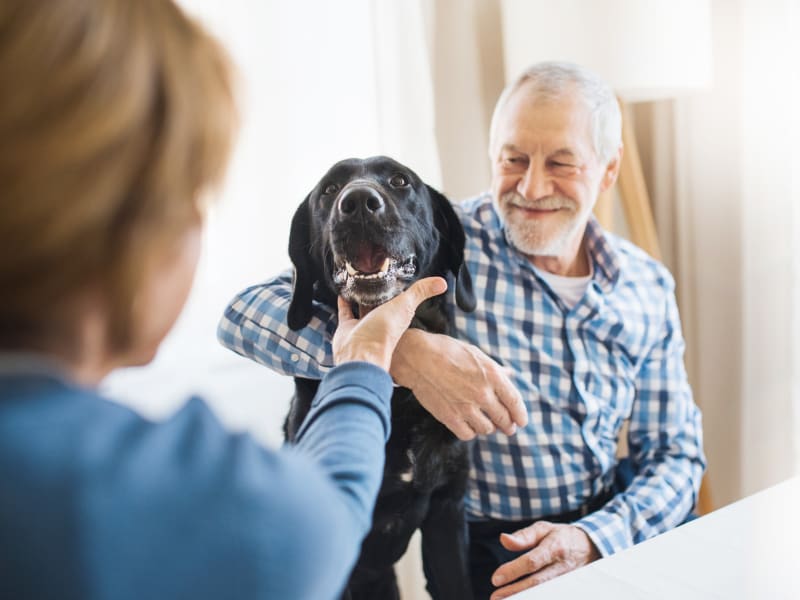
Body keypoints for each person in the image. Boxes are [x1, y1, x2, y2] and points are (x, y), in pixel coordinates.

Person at [0, 1, 450, 599]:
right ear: (131, 226)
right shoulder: (193, 495)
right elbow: (319, 523)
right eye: (190, 191)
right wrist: (370, 362)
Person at [217, 61, 706, 599]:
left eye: (561, 163)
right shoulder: (438, 238)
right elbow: (244, 314)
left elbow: (674, 454)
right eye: (513, 159)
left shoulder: (647, 285)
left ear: (608, 170)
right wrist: (404, 352)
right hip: (495, 553)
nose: (532, 186)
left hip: (611, 535)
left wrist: (596, 538)